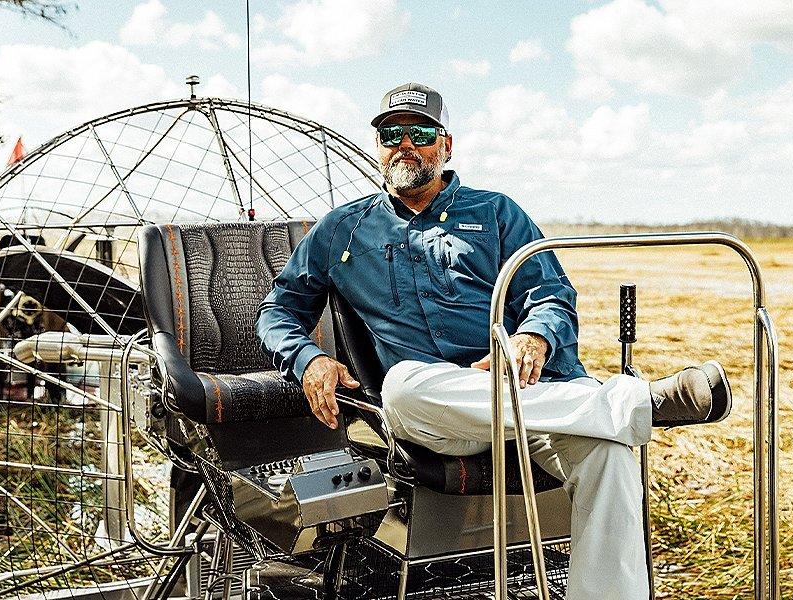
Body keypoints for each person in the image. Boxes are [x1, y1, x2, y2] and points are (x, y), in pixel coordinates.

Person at [256, 82, 731, 600]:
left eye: (420, 132)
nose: (404, 144)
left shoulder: (498, 213)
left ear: (447, 144)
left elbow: (551, 294)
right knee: (402, 386)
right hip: (437, 415)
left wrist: (533, 335)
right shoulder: (341, 230)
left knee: (609, 453)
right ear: (379, 147)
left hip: (532, 402)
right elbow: (279, 310)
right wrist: (308, 359)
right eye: (392, 133)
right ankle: (637, 401)